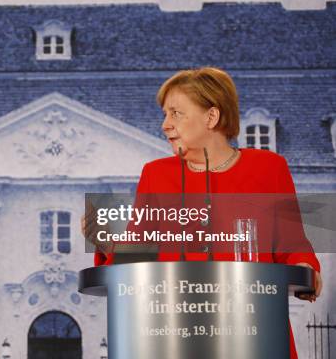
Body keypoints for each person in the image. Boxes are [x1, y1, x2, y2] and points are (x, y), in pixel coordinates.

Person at [84, 67, 321, 359]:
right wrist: (105, 239)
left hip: (254, 332)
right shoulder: (155, 175)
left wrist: (305, 268)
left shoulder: (269, 168)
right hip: (175, 337)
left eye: (176, 114)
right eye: (165, 115)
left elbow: (292, 244)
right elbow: (138, 257)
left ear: (211, 117)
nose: (165, 125)